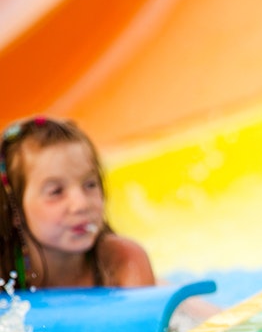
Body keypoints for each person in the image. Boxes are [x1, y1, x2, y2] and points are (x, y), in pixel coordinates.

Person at [0, 116, 155, 290]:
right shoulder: (4, 271)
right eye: (56, 192)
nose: (81, 204)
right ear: (14, 210)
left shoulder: (123, 262)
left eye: (90, 185)